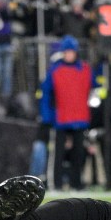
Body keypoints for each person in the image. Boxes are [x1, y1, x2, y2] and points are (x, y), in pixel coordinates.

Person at [40, 35, 93, 191]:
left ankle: (77, 183)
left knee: (78, 153)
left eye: (71, 51)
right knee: (58, 154)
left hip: (80, 117)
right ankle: (55, 183)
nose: (69, 54)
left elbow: (95, 87)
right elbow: (45, 94)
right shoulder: (55, 71)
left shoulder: (85, 69)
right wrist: (47, 116)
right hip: (61, 118)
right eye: (66, 52)